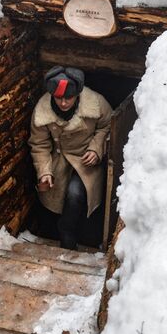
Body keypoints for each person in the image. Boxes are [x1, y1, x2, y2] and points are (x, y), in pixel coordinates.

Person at [29, 66, 113, 250]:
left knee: (75, 194)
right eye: (59, 98)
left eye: (69, 97)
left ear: (78, 94)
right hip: (59, 161)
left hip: (85, 160)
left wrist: (96, 149)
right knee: (54, 199)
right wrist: (44, 171)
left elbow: (107, 126)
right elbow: (40, 144)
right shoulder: (42, 111)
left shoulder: (96, 103)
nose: (64, 103)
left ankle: (67, 233)